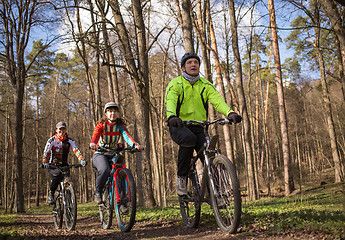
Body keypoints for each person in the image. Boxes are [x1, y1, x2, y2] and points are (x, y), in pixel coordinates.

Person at [165, 52, 242, 196]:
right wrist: (172, 116)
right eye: (189, 62)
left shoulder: (205, 85)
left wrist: (230, 113)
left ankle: (217, 191)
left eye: (196, 62)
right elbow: (170, 100)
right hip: (179, 125)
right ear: (183, 68)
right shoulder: (176, 83)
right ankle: (182, 177)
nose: (193, 64)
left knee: (209, 152)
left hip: (199, 126)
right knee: (188, 139)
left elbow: (217, 100)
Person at [89, 102, 144, 204]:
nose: (112, 113)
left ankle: (123, 202)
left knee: (121, 172)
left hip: (113, 153)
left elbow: (127, 136)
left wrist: (135, 145)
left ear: (118, 113)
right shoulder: (101, 125)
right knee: (105, 169)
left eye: (115, 111)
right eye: (110, 111)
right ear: (106, 113)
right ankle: (98, 192)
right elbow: (96, 134)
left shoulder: (120, 126)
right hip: (100, 153)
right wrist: (93, 143)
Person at [42, 121, 87, 204]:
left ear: (65, 130)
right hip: (53, 165)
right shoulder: (51, 140)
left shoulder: (69, 140)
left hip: (64, 165)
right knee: (57, 175)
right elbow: (46, 152)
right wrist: (45, 161)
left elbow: (76, 150)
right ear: (56, 130)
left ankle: (69, 200)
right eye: (60, 129)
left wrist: (81, 159)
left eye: (63, 129)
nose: (61, 131)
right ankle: (51, 193)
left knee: (67, 179)